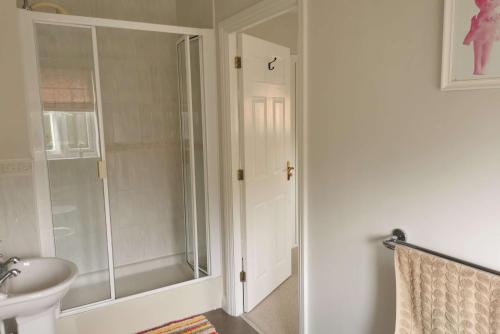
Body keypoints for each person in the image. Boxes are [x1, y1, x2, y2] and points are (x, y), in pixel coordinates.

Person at [463, 0, 500, 75]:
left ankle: (482, 68)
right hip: (479, 38)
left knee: (486, 54)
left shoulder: (496, 15)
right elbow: (479, 24)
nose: (487, 2)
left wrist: (494, 20)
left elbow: (497, 26)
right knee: (478, 55)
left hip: (489, 38)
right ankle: (477, 69)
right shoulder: (481, 14)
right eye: (484, 2)